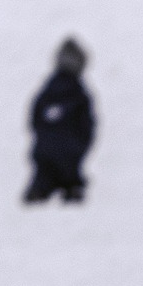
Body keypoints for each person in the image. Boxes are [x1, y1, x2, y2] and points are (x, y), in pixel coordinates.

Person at [23, 38, 95, 204]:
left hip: (46, 150)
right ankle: (69, 191)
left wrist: (42, 137)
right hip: (69, 151)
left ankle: (40, 191)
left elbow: (35, 117)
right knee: (69, 179)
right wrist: (81, 143)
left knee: (44, 177)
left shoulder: (49, 89)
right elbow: (87, 124)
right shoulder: (78, 92)